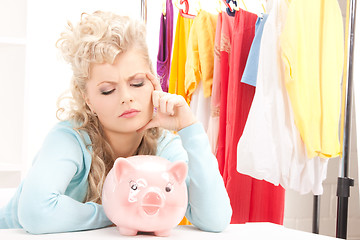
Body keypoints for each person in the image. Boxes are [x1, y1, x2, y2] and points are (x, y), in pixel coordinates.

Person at [0, 11, 232, 234]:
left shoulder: (164, 146)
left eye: (138, 83)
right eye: (108, 90)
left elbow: (215, 219)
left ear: (153, 81)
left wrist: (189, 128)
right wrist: (117, 213)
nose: (126, 97)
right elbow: (35, 212)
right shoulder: (70, 139)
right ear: (87, 100)